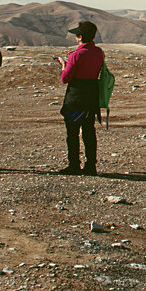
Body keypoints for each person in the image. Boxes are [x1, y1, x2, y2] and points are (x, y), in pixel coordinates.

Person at [58, 20, 105, 175]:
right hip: (91, 97)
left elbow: (65, 78)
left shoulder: (76, 55)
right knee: (89, 131)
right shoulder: (98, 52)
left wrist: (64, 65)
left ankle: (74, 165)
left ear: (79, 37)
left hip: (76, 98)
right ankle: (91, 165)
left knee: (72, 132)